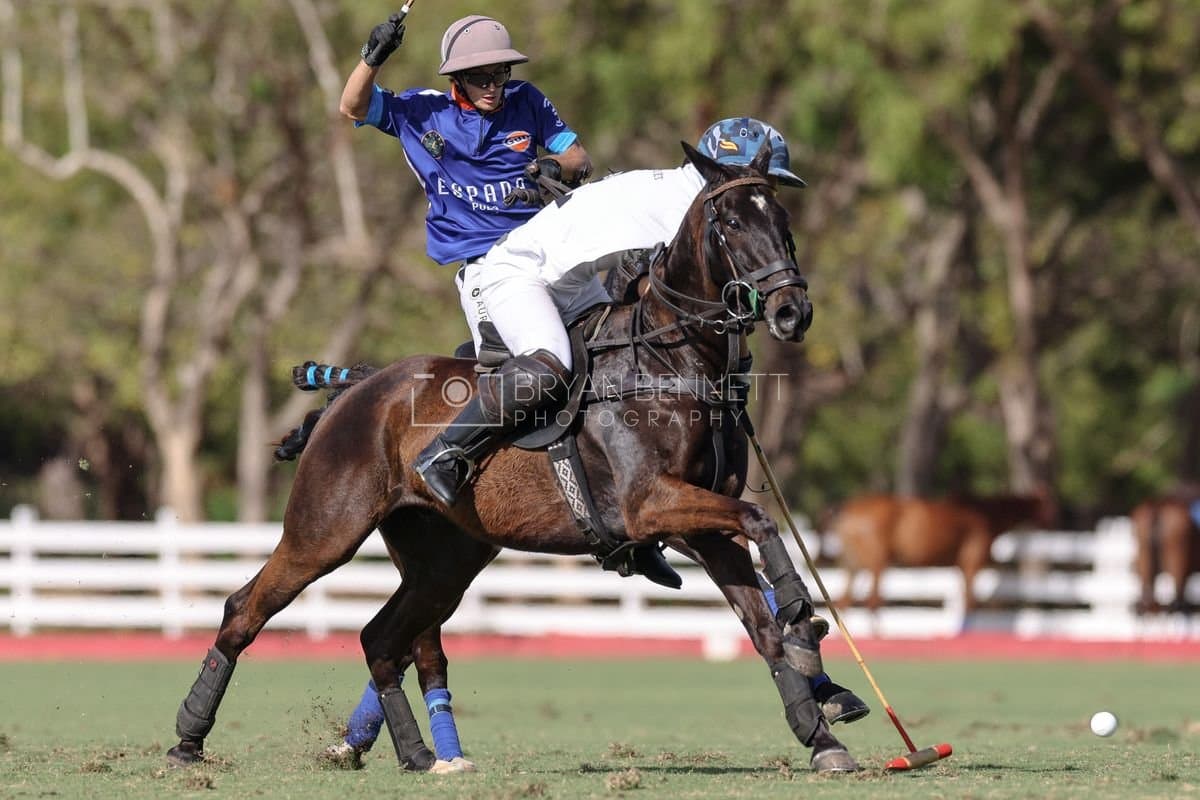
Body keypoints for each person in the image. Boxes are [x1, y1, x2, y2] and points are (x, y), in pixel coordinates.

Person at [412, 116, 870, 727]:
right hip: (514, 280)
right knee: (555, 365)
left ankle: (632, 536)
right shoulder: (685, 209)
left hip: (573, 288)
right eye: (760, 179)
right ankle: (447, 452)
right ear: (723, 174)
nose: (766, 192)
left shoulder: (709, 206)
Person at [323, 12, 676, 770]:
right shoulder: (421, 113)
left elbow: (574, 152)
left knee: (622, 353)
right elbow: (352, 109)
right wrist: (370, 59)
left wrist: (567, 171)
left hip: (551, 259)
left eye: (502, 74)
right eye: (483, 77)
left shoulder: (527, 105)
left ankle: (631, 515)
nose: (496, 86)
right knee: (555, 375)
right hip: (490, 278)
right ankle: (458, 462)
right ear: (456, 82)